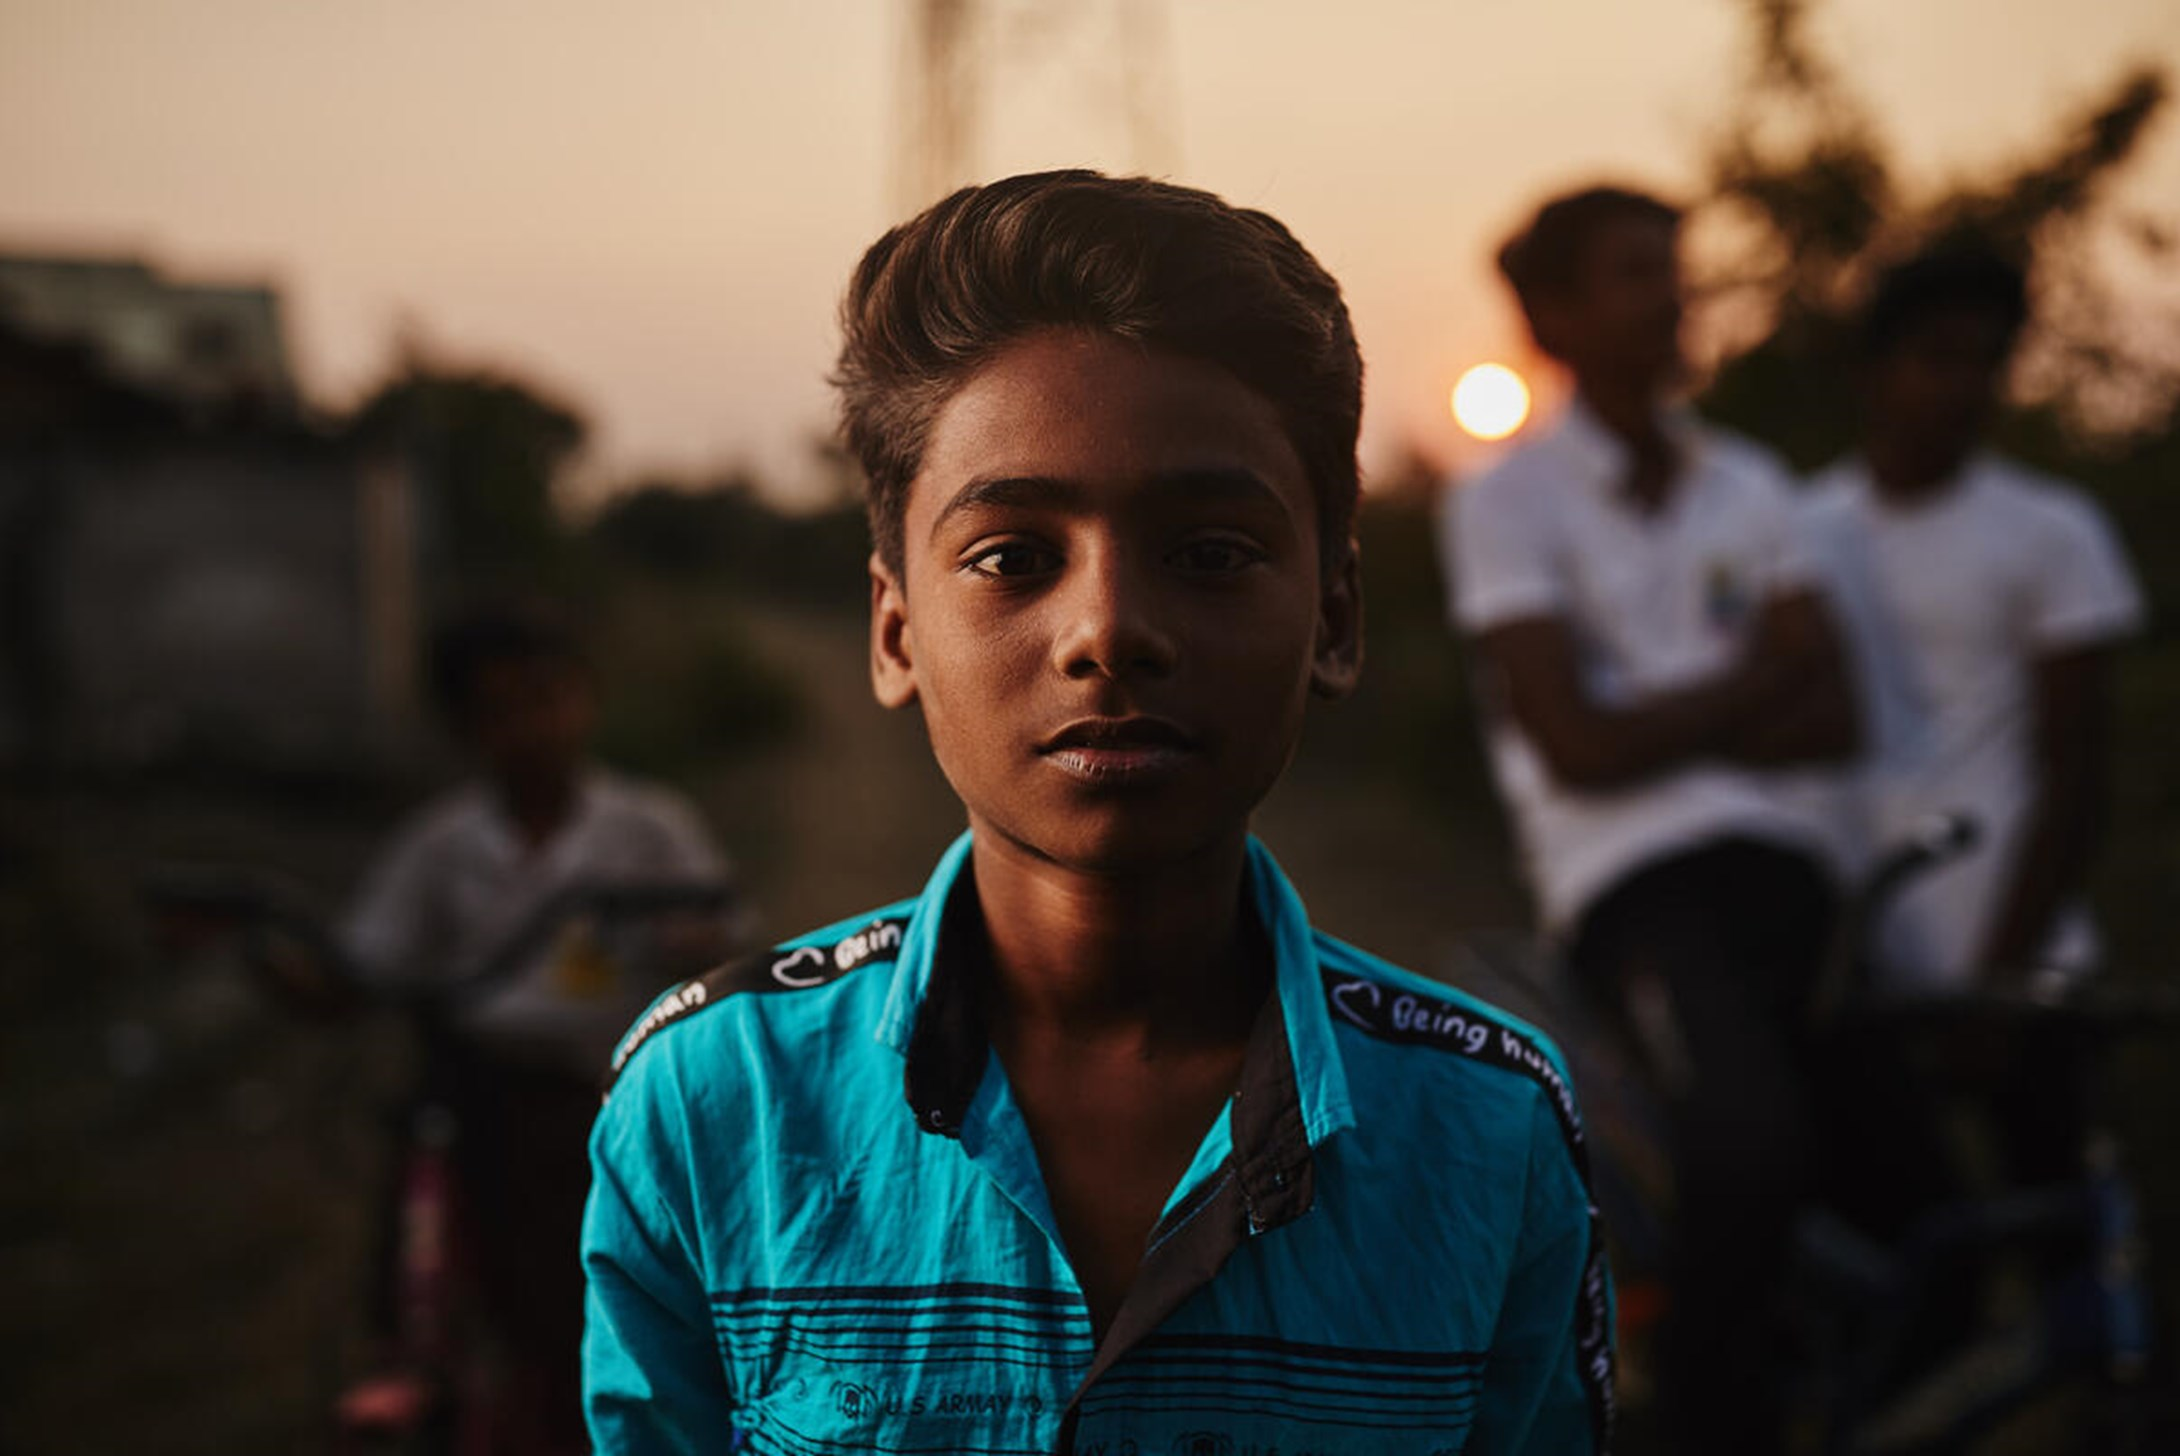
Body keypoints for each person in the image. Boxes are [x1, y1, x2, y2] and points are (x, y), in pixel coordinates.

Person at [583, 170, 1613, 1456]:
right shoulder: (707, 1101)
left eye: (1211, 552)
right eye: (1011, 555)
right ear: (895, 628)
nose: (1109, 629)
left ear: (1334, 621)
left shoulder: (1488, 1131)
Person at [1438, 184, 1858, 1451]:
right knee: (1745, 1152)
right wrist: (1746, 689)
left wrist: (1650, 715)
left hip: (1793, 874)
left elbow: (1831, 710)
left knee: (1901, 1180)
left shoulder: (1747, 479)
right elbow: (1572, 746)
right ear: (1552, 315)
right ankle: (1700, 1415)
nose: (1671, 295)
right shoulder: (1505, 501)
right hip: (1637, 887)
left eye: (1671, 267)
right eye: (1633, 273)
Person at [1797, 244, 2143, 1224]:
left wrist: (1999, 976)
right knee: (1895, 1264)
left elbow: (2074, 770)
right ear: (1873, 369)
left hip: (2024, 966)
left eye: (1984, 360)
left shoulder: (2049, 531)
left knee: (2069, 1261)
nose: (1964, 385)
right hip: (1861, 965)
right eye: (1936, 357)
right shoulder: (1797, 527)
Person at [343, 599, 739, 1452]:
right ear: (465, 729)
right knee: (416, 1243)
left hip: (597, 1098)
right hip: (477, 1086)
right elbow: (362, 960)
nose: (529, 726)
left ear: (584, 700)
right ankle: (412, 1363)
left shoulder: (645, 827)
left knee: (577, 1297)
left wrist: (693, 944)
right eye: (500, 709)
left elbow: (726, 940)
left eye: (547, 698)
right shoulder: (441, 845)